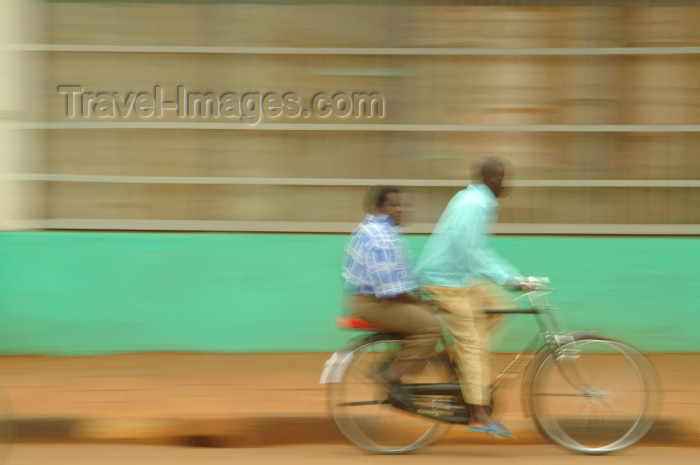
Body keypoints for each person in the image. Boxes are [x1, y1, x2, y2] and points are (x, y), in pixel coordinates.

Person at [416, 157, 528, 439]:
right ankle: (479, 414)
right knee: (474, 344)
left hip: (460, 278)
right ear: (491, 179)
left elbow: (475, 252)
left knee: (499, 307)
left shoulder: (474, 199)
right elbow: (469, 252)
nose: (505, 183)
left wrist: (513, 276)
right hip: (445, 282)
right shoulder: (474, 204)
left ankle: (455, 359)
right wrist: (509, 278)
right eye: (501, 178)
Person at [341, 186, 442, 405]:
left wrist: (428, 293)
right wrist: (421, 303)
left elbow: (403, 277)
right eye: (393, 205)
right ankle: (391, 374)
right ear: (378, 207)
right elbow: (390, 289)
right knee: (430, 326)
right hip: (375, 303)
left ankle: (394, 366)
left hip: (378, 299)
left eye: (401, 204)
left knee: (427, 312)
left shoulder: (382, 230)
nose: (400, 209)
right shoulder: (380, 236)